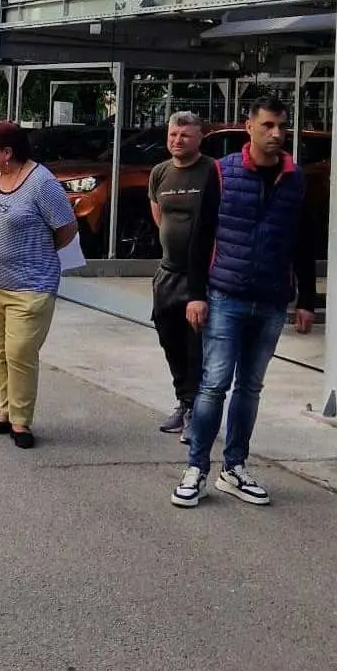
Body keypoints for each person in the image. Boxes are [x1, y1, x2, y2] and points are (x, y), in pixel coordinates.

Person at [170, 96, 319, 509]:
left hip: (271, 300)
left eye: (282, 126)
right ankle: (196, 468)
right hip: (225, 296)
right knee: (214, 384)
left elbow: (303, 242)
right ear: (249, 126)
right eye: (268, 125)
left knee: (250, 387)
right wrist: (196, 295)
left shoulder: (295, 179)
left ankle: (234, 467)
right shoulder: (222, 172)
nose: (277, 134)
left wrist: (307, 299)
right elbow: (201, 236)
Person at [0, 121, 78, 450]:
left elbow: (67, 228)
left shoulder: (42, 183)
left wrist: (35, 251)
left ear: (8, 152)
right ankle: (5, 413)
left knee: (20, 351)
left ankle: (21, 421)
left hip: (30, 285)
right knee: (0, 352)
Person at [149, 113, 214, 440]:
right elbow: (159, 217)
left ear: (200, 137)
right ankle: (184, 401)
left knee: (196, 347)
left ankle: (196, 412)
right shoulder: (160, 172)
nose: (177, 140)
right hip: (167, 275)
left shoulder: (213, 172)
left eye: (185, 135)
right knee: (170, 341)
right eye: (173, 134)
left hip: (200, 278)